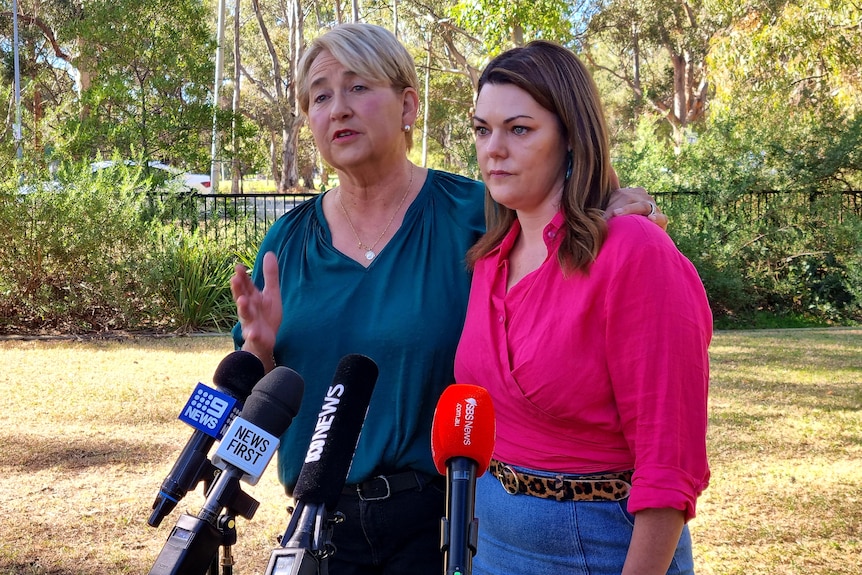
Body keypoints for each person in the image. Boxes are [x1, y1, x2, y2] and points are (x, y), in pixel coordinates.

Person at [231, 23, 667, 575]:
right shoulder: (287, 245)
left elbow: (572, 218)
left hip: (449, 522)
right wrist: (260, 350)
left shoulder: (480, 213)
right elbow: (260, 417)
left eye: (358, 87)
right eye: (320, 95)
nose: (338, 108)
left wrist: (624, 205)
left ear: (409, 105)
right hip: (319, 528)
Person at [453, 40, 712, 575]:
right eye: (482, 129)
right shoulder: (488, 260)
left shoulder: (634, 252)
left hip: (597, 547)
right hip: (492, 540)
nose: (492, 150)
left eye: (519, 129)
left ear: (571, 137)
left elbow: (669, 465)